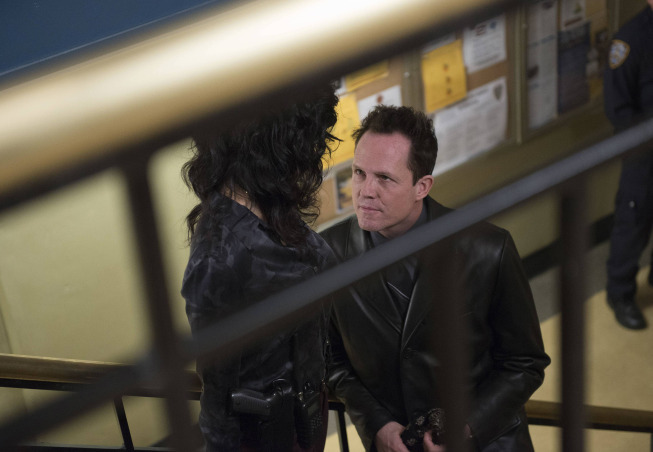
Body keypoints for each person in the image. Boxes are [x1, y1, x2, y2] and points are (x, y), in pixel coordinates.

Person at [321, 106, 550, 452]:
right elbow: (331, 361)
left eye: (384, 178)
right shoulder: (328, 255)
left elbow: (525, 364)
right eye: (358, 173)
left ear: (422, 186)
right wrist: (376, 424)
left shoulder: (488, 249)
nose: (365, 190)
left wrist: (467, 428)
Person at [180, 84, 339, 451]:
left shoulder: (266, 201)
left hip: (306, 412)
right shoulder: (219, 257)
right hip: (269, 436)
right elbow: (218, 402)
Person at [603, 0, 653, 330]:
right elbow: (618, 110)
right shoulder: (630, 41)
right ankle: (620, 294)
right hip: (643, 153)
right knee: (633, 221)